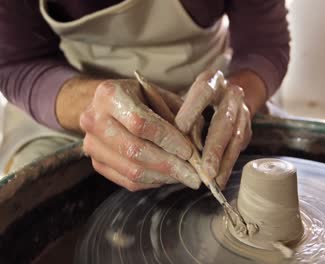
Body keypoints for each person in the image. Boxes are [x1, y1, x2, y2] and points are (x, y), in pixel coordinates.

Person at [0, 0, 290, 191]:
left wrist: (237, 94)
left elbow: (264, 44)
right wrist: (92, 103)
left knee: (279, 172)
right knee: (32, 196)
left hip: (207, 94)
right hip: (73, 97)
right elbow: (15, 62)